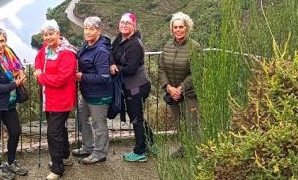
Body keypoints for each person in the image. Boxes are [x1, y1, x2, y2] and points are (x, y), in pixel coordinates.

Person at [0, 28, 30, 180]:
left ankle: (11, 161)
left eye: (2, 41)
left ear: (5, 41)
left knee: (15, 131)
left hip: (9, 102)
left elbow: (19, 65)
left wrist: (21, 73)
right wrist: (16, 83)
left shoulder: (9, 52)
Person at [34, 20, 78, 180]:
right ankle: (66, 157)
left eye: (51, 34)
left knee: (53, 133)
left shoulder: (67, 53)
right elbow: (38, 58)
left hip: (61, 100)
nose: (48, 37)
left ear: (58, 33)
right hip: (48, 99)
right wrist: (38, 68)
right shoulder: (46, 48)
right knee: (59, 130)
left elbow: (61, 79)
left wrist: (41, 77)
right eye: (45, 35)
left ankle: (58, 168)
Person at [156, 12, 202, 156]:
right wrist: (169, 88)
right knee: (180, 123)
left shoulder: (195, 47)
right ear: (172, 29)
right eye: (175, 27)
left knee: (192, 123)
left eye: (181, 27)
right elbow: (161, 69)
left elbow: (197, 72)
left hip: (190, 93)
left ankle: (197, 153)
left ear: (187, 28)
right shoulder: (167, 46)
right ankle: (184, 149)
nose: (178, 30)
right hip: (172, 93)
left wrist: (181, 88)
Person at [110, 12, 153, 162]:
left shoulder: (134, 44)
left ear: (134, 26)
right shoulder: (120, 38)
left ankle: (140, 151)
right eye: (122, 22)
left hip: (137, 86)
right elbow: (111, 51)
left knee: (135, 118)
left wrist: (116, 69)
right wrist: (112, 62)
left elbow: (131, 68)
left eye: (128, 23)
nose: (124, 25)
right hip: (130, 85)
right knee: (138, 116)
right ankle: (150, 144)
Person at [73, 16, 113, 164]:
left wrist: (82, 76)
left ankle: (100, 153)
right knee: (81, 117)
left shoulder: (100, 51)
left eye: (92, 29)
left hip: (99, 95)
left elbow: (104, 77)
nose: (88, 32)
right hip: (87, 93)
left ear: (99, 30)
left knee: (99, 124)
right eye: (86, 28)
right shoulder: (87, 45)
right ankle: (88, 147)